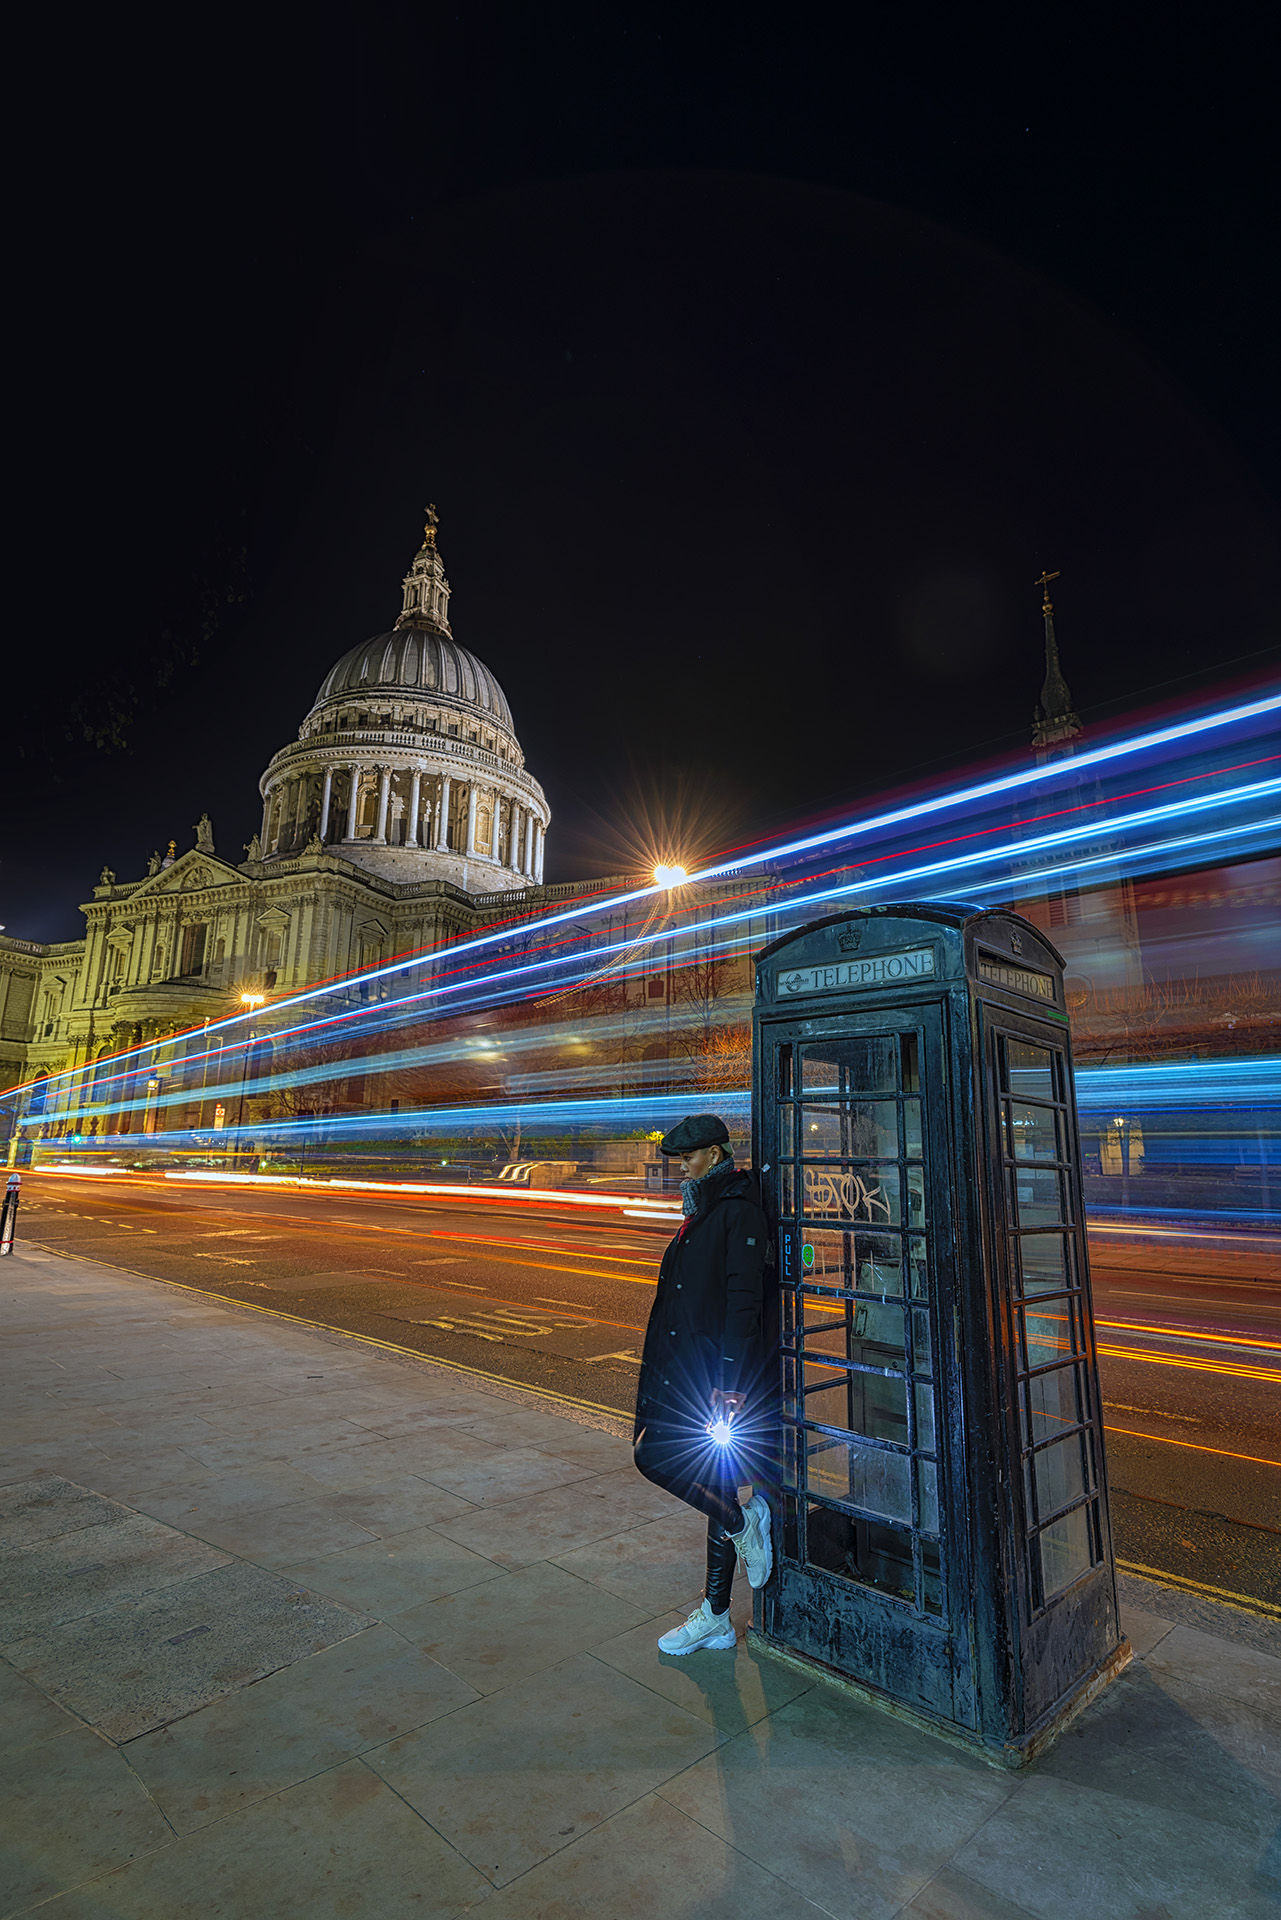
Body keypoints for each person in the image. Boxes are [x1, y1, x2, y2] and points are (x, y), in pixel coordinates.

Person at [633, 1112, 773, 1654]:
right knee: (713, 1484)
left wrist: (730, 1381)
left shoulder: (738, 1212)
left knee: (657, 1460)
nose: (681, 1168)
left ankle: (740, 1531)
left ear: (716, 1153)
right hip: (685, 1370)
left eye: (689, 1157)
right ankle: (717, 1611)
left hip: (717, 1378)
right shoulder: (704, 1209)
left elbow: (745, 1302)